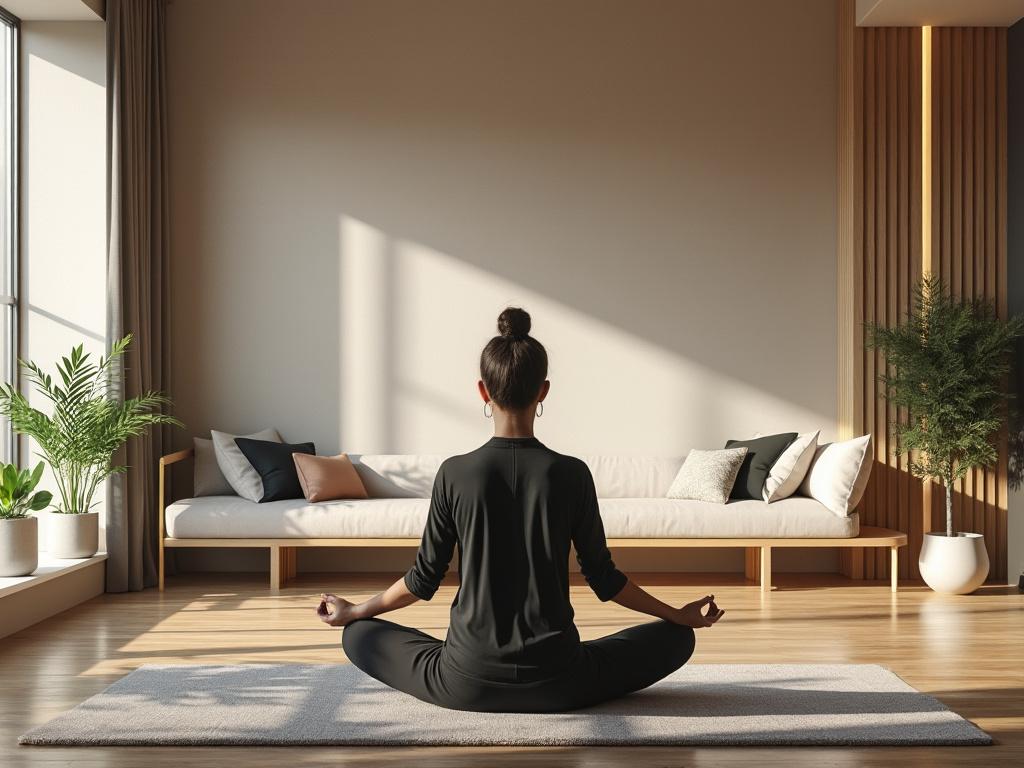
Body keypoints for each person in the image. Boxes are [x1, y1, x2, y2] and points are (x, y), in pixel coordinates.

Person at [316, 307, 724, 713]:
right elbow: (605, 579)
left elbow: (423, 579)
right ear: (543, 391)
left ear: (482, 391)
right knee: (677, 638)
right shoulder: (572, 474)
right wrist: (676, 614)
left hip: (464, 682)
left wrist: (355, 611)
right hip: (560, 682)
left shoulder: (454, 473)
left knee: (358, 635)